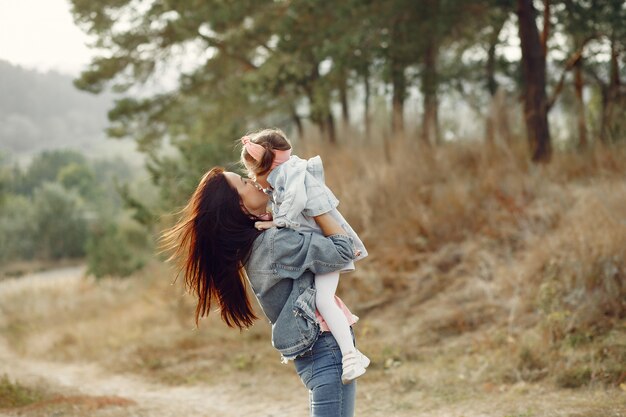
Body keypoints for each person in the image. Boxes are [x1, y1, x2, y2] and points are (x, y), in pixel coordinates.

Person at [162, 166, 363, 417]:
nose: (253, 182)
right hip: (324, 350)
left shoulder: (258, 240)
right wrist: (316, 205)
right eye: (244, 183)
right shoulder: (273, 243)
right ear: (239, 207)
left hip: (316, 350)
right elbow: (344, 251)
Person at [240, 128, 369, 383]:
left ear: (266, 165)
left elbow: (296, 202)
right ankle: (352, 353)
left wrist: (276, 222)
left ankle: (350, 356)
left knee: (323, 299)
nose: (253, 179)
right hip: (319, 243)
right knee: (324, 298)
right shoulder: (282, 178)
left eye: (252, 173)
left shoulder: (292, 175)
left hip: (327, 242)